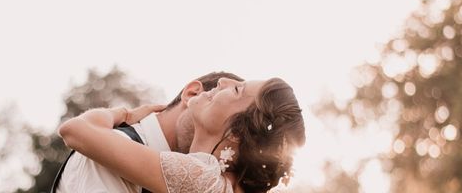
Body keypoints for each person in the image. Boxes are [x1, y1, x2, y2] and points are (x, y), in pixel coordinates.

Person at [59, 76, 305, 193]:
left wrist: (122, 113)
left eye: (237, 89)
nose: (222, 83)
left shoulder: (201, 178)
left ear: (238, 133)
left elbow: (75, 131)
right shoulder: (221, 182)